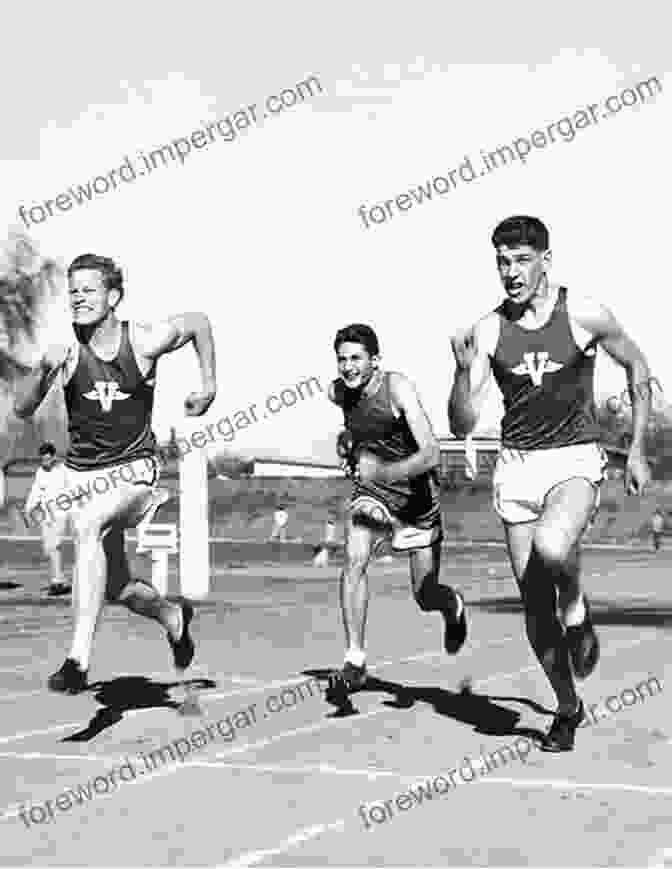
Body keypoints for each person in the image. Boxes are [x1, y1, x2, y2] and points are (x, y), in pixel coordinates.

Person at [449, 215, 651, 751]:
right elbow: (463, 424)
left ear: (545, 260)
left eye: (520, 260)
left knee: (552, 545)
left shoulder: (583, 312)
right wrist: (459, 371)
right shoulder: (488, 330)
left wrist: (636, 449)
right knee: (534, 604)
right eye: (501, 262)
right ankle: (567, 706)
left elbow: (637, 368)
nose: (510, 272)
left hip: (573, 459)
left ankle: (579, 609)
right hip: (515, 466)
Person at [14, 253, 216, 694]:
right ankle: (173, 618)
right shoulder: (65, 353)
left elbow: (199, 321)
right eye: (73, 291)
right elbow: (22, 407)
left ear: (114, 296)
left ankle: (77, 660)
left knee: (88, 527)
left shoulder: (143, 340)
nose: (78, 297)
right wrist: (43, 369)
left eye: (88, 289)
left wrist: (209, 385)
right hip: (86, 479)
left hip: (136, 472)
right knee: (117, 587)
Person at [327, 323, 467, 704]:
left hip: (417, 503)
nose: (349, 367)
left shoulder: (397, 388)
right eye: (342, 359)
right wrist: (349, 447)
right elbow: (355, 431)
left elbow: (431, 453)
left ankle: (453, 606)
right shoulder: (338, 392)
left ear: (375, 360)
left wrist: (384, 469)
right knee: (354, 558)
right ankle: (354, 659)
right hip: (372, 495)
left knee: (425, 595)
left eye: (356, 358)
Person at [23, 442, 72, 596]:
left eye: (48, 459)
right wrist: (28, 508)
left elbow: (73, 491)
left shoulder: (64, 471)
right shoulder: (40, 472)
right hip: (46, 515)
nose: (46, 463)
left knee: (54, 546)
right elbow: (36, 492)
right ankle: (60, 580)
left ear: (54, 457)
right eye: (43, 460)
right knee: (48, 549)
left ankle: (57, 582)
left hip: (60, 514)